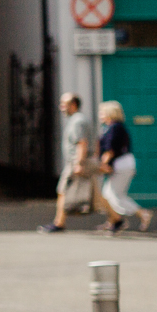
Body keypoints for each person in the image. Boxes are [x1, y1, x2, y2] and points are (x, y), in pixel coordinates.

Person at [41, 92, 97, 233]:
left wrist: (79, 163)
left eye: (64, 104)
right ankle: (116, 219)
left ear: (73, 105)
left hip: (76, 161)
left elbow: (82, 143)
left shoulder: (77, 121)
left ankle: (59, 223)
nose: (61, 107)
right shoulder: (78, 120)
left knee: (62, 191)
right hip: (80, 160)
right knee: (97, 195)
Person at [96, 99, 151, 233]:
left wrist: (102, 165)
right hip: (122, 165)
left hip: (122, 165)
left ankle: (142, 213)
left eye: (102, 112)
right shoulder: (110, 127)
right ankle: (114, 221)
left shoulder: (114, 128)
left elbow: (110, 150)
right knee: (109, 194)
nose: (100, 115)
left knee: (114, 195)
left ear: (110, 113)